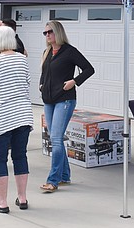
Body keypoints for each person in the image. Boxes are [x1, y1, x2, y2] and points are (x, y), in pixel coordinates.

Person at [0, 26, 34, 213]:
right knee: (20, 155)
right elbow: (27, 83)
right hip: (23, 114)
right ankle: (22, 197)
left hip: (2, 115)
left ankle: (2, 202)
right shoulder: (23, 60)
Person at [39, 20, 95, 193]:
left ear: (58, 32)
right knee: (55, 137)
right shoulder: (47, 52)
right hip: (49, 100)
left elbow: (89, 69)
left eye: (50, 32)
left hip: (65, 100)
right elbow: (45, 73)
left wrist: (74, 82)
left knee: (55, 138)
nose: (47, 35)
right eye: (45, 33)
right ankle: (64, 176)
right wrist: (41, 84)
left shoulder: (70, 51)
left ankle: (53, 180)